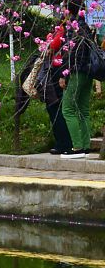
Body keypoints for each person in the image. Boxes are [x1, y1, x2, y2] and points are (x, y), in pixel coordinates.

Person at [61, 8, 97, 159]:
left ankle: (77, 147)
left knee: (67, 108)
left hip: (77, 72)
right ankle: (86, 146)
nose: (61, 11)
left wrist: (64, 74)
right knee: (83, 109)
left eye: (63, 7)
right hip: (89, 73)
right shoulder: (86, 27)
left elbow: (70, 54)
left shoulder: (73, 29)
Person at [37, 11, 73, 156]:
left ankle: (64, 142)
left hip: (57, 73)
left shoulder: (63, 32)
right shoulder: (60, 31)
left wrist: (50, 40)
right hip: (52, 73)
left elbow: (52, 46)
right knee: (54, 110)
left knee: (56, 109)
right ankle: (61, 141)